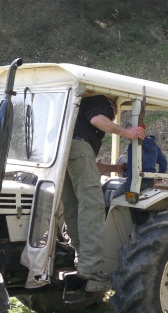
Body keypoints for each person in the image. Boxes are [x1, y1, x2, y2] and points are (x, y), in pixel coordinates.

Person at [63, 95, 145, 282]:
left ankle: (82, 259)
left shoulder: (77, 115)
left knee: (72, 207)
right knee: (92, 205)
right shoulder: (104, 102)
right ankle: (90, 267)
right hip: (78, 149)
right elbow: (97, 120)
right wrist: (126, 132)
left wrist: (114, 169)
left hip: (62, 151)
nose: (114, 116)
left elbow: (87, 163)